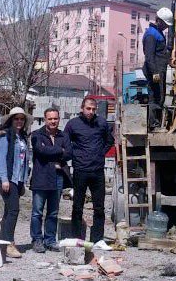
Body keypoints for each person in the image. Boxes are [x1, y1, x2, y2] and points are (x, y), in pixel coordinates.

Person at [63, 97, 114, 243]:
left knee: (99, 207)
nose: (91, 112)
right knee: (77, 206)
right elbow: (66, 142)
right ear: (82, 108)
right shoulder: (73, 124)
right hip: (80, 169)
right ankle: (77, 238)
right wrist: (76, 154)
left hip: (97, 171)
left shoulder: (102, 123)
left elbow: (109, 141)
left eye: (93, 109)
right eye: (88, 109)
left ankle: (97, 239)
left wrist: (100, 153)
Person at [30, 107, 72, 253]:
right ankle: (37, 240)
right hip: (41, 178)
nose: (53, 121)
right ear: (45, 119)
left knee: (53, 212)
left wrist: (54, 153)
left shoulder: (63, 135)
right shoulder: (36, 134)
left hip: (57, 178)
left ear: (59, 119)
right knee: (37, 212)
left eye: (55, 118)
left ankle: (50, 240)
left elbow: (69, 153)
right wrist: (60, 150)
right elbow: (40, 151)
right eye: (50, 119)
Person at [0, 106, 31, 259]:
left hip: (17, 178)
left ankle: (2, 243)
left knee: (9, 210)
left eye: (22, 119)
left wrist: (24, 180)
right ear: (11, 120)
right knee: (14, 209)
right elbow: (1, 159)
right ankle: (9, 243)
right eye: (16, 119)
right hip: (7, 178)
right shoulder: (4, 136)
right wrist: (4, 179)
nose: (19, 121)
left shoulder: (22, 137)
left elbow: (24, 161)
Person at [142, 6, 173, 128]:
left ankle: (157, 122)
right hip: (154, 71)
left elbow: (160, 53)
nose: (166, 26)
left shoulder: (158, 33)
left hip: (159, 70)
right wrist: (155, 73)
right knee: (155, 96)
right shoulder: (151, 35)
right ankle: (153, 123)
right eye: (165, 24)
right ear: (158, 20)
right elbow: (149, 57)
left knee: (160, 96)